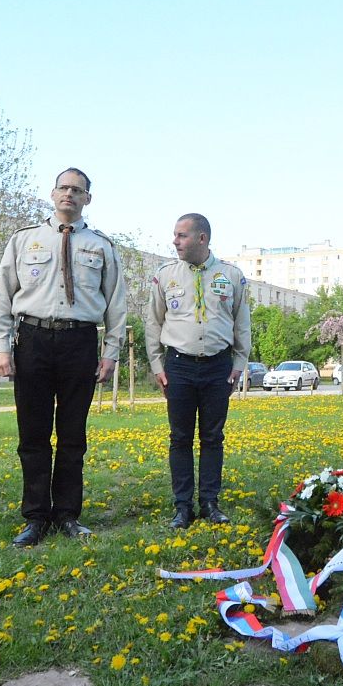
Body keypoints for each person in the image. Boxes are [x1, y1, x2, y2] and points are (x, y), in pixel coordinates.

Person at [0, 167, 127, 546]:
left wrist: (110, 353)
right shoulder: (24, 240)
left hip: (79, 342)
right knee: (32, 434)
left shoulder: (101, 245)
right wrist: (0, 347)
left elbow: (116, 304)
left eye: (77, 190)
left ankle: (67, 514)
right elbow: (2, 295)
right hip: (32, 339)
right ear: (52, 194)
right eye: (63, 188)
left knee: (72, 435)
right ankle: (35, 517)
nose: (69, 194)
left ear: (87, 199)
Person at [144, 213, 251, 528]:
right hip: (178, 365)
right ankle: (182, 506)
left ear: (202, 238)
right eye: (175, 235)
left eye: (181, 235)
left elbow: (242, 323)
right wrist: (156, 364)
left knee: (213, 437)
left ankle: (209, 502)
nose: (175, 241)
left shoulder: (231, 275)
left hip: (218, 365)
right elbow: (154, 322)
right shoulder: (166, 275)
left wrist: (239, 363)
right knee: (179, 437)